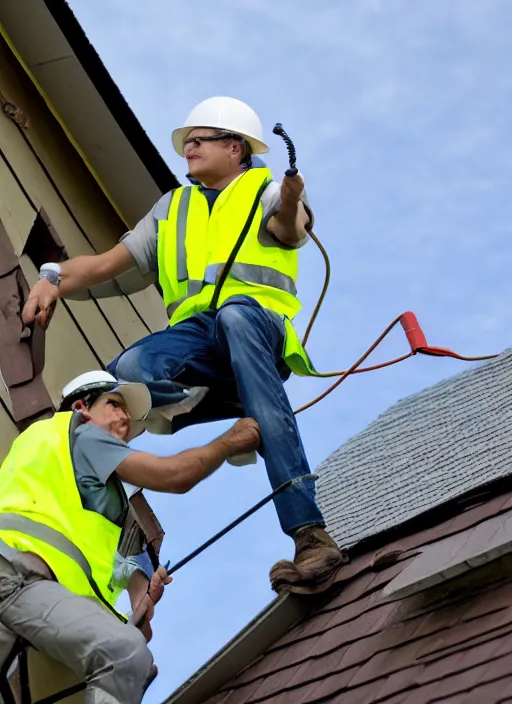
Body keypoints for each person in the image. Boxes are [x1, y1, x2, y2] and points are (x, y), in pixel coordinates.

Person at [21, 96, 346, 594]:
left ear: (236, 148)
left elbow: (288, 229)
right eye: (187, 141)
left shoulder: (264, 190)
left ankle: (310, 534)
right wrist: (51, 278)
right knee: (126, 372)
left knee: (236, 319)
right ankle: (245, 409)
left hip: (256, 329)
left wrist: (291, 199)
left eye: (200, 139)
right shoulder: (172, 209)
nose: (188, 147)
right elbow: (106, 263)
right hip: (196, 343)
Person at [0, 370, 260, 703]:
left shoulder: (70, 473)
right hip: (17, 579)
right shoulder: (82, 433)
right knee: (126, 655)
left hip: (21, 589)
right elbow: (175, 475)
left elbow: (140, 623)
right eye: (114, 404)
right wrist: (227, 444)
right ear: (82, 407)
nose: (125, 418)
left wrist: (142, 602)